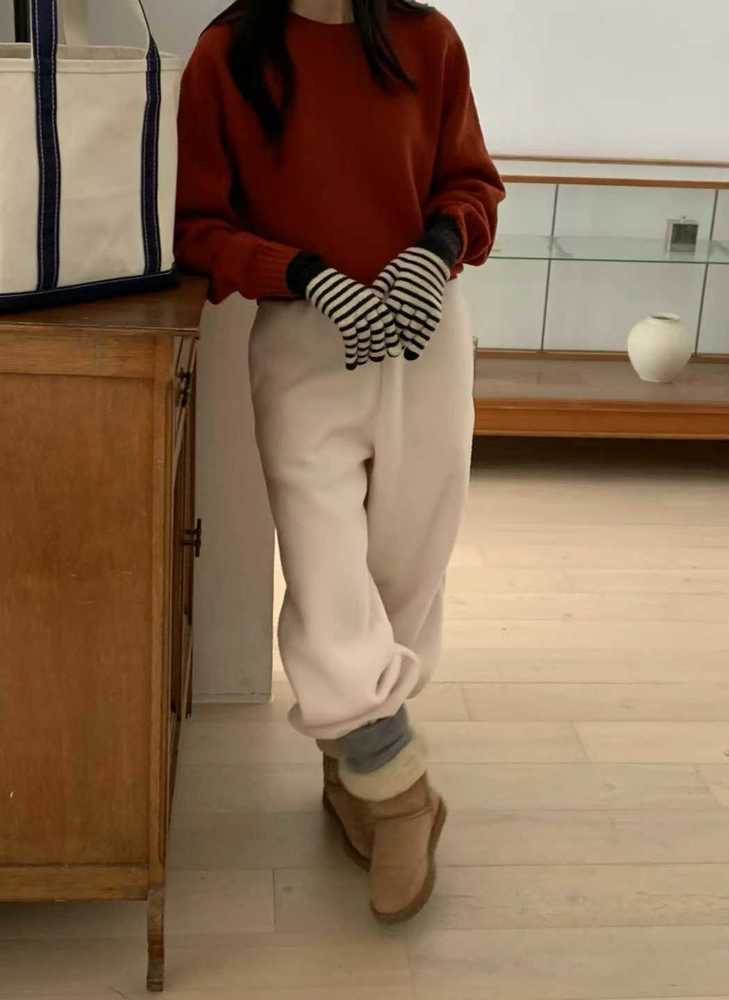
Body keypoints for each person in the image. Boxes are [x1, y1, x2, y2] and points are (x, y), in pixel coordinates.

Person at [174, 0, 505, 922]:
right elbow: (196, 224)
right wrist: (305, 274)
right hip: (303, 344)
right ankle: (399, 794)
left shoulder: (427, 40)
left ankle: (349, 767)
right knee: (328, 579)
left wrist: (435, 252)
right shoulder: (225, 56)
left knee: (406, 571)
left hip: (426, 334)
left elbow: (472, 183)